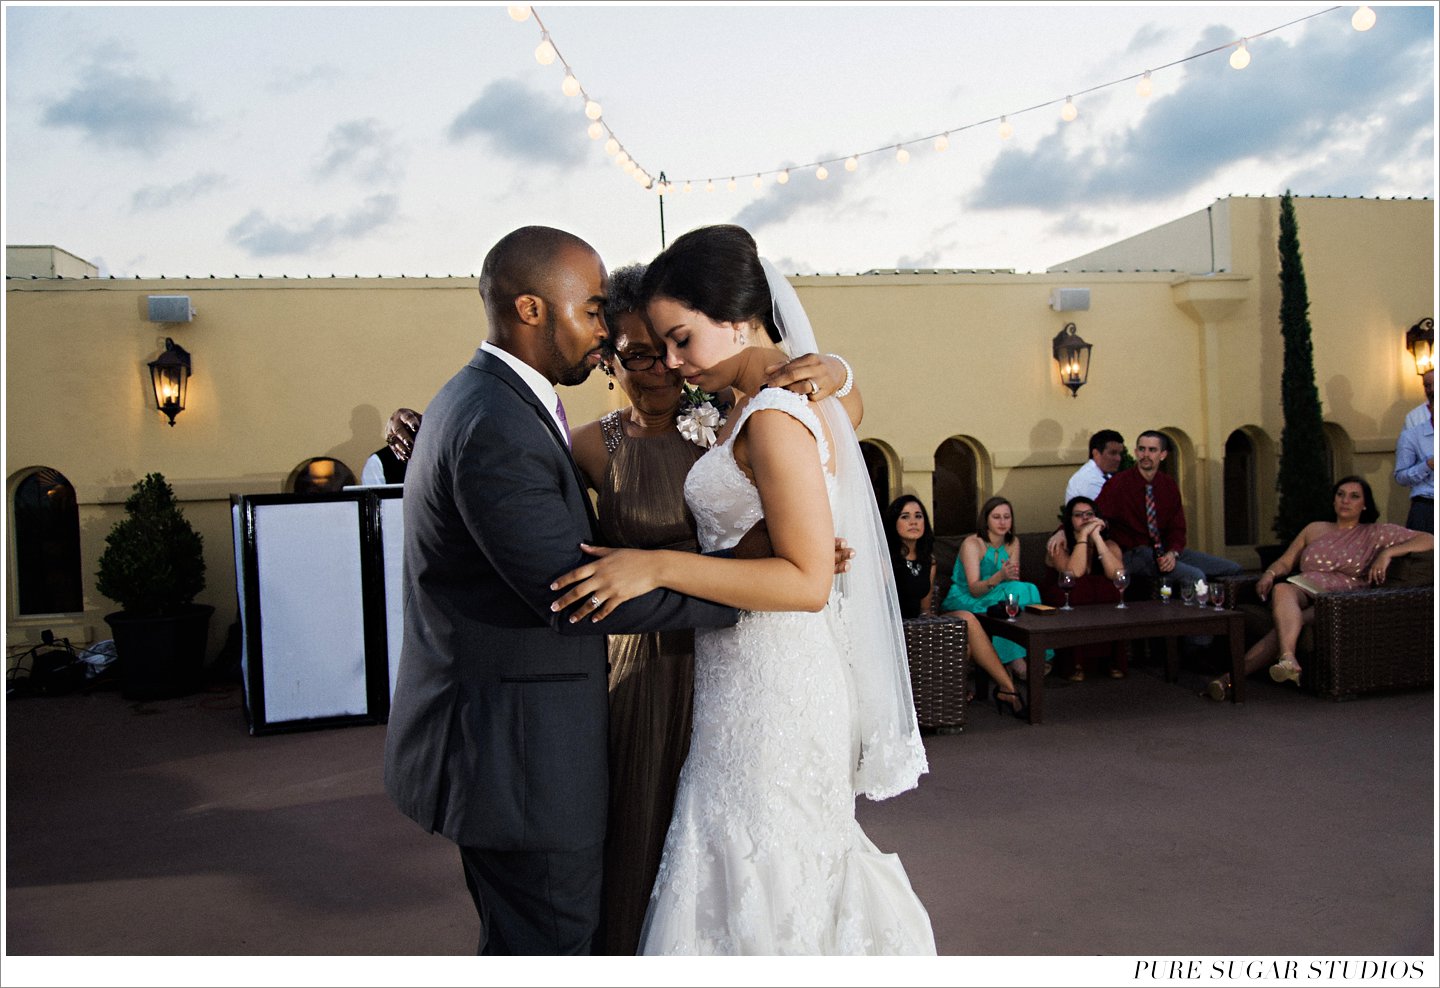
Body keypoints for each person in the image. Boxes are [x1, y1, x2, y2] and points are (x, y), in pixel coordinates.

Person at [383, 264, 859, 955]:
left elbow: (830, 428)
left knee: (724, 840)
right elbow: (514, 501)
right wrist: (435, 436)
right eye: (638, 352)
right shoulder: (590, 445)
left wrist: (838, 374)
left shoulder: (723, 421)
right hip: (637, 660)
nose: (662, 368)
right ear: (615, 364)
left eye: (671, 347)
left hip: (725, 660)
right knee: (639, 836)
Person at [549, 224, 935, 954]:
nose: (669, 363)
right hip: (740, 668)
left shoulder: (773, 411)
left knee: (767, 861)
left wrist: (655, 564)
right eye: (653, 347)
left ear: (736, 318)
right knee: (735, 857)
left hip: (778, 677)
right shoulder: (739, 408)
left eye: (680, 339)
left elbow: (808, 580)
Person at [1205, 476, 1433, 700]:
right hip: (1306, 586)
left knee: (1286, 626)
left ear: (1364, 505)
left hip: (1341, 598)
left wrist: (1388, 553)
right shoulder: (1315, 529)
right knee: (1282, 589)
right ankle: (1288, 658)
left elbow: (1430, 539)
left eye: (1354, 497)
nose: (1345, 501)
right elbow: (1286, 561)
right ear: (1333, 501)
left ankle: (1228, 680)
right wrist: (1270, 573)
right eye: (1340, 495)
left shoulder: (1376, 533)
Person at [885, 494, 1027, 715]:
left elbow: (925, 609)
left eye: (919, 516)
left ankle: (1006, 688)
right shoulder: (885, 560)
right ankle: (1005, 689)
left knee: (967, 622)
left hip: (917, 625)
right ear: (894, 523)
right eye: (905, 517)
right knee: (964, 627)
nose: (913, 522)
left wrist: (931, 623)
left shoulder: (928, 561)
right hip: (892, 628)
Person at [1093, 430, 1242, 590]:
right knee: (1195, 576)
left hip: (1163, 550)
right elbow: (1093, 514)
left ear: (1163, 455)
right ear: (1136, 452)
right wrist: (1062, 533)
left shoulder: (1168, 485)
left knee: (1233, 569)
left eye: (1152, 450)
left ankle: (1225, 613)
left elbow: (1177, 528)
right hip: (1135, 553)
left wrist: (1173, 553)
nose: (1146, 455)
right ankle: (1194, 614)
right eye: (1142, 449)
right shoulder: (1119, 484)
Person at [939, 496, 1052, 681]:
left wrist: (1007, 577)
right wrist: (1000, 576)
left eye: (1007, 517)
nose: (1002, 522)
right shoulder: (973, 544)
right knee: (1014, 592)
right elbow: (974, 588)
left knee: (1028, 589)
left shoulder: (1013, 542)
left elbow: (1013, 579)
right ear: (986, 520)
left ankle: (1033, 652)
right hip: (968, 597)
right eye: (996, 517)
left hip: (999, 592)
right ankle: (1015, 660)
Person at [1042, 495, 1126, 680]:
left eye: (1090, 514)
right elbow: (1073, 573)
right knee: (1080, 590)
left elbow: (1118, 574)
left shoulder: (1108, 544)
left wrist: (1096, 537)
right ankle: (1075, 663)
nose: (1085, 519)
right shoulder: (1059, 544)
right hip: (1063, 596)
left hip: (1094, 598)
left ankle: (1110, 660)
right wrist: (1082, 537)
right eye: (1079, 515)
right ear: (1069, 521)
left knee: (1108, 589)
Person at [1393, 370, 1433, 533]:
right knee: (1422, 557)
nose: (1431, 389)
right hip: (1427, 506)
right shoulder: (1412, 432)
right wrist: (1427, 465)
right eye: (1427, 385)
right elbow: (1401, 476)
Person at [1064, 428, 1125, 503]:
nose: (1118, 458)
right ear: (1096, 453)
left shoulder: (1104, 474)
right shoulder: (1089, 481)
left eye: (1120, 454)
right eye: (1113, 453)